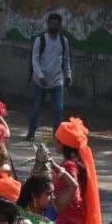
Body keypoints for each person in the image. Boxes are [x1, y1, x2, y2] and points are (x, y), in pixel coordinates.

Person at [26, 13, 72, 142]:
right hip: (40, 82)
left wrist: (68, 75)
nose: (54, 26)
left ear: (60, 25)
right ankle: (31, 131)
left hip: (57, 81)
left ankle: (57, 136)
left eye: (56, 24)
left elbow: (66, 60)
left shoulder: (64, 41)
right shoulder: (40, 40)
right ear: (47, 24)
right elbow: (34, 59)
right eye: (51, 23)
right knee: (36, 107)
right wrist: (40, 76)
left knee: (59, 110)